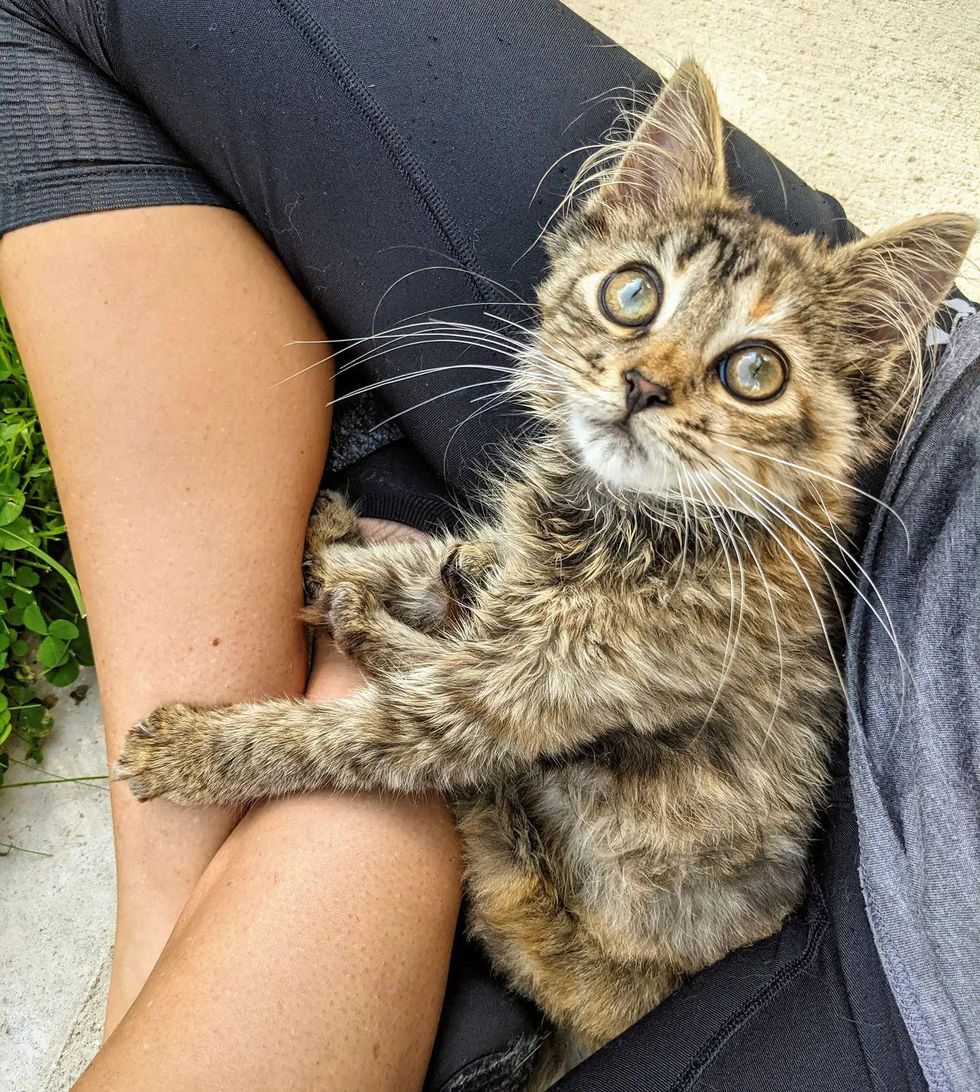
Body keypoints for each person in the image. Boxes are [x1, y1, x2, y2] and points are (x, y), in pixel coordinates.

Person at [1, 2, 976, 1089]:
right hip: (931, 537)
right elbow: (525, 591)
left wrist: (235, 744)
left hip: (623, 932)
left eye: (748, 370)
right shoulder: (649, 498)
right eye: (634, 294)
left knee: (326, 536)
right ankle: (206, 924)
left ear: (861, 385)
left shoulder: (706, 603)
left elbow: (467, 725)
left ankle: (213, 928)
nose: (651, 375)